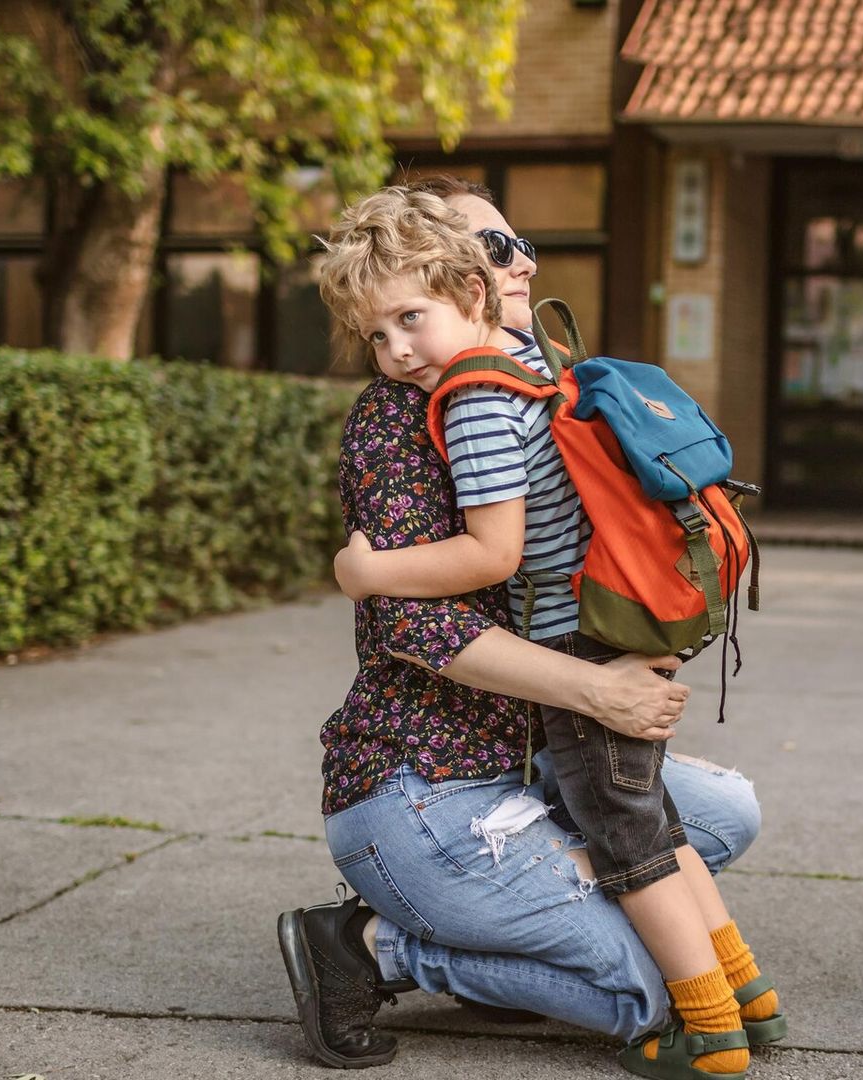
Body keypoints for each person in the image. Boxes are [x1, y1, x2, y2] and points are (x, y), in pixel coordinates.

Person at [275, 185, 772, 1078]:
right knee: (648, 991)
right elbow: (418, 620)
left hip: (528, 761)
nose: (524, 263)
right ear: (460, 271)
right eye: (502, 245)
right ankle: (368, 945)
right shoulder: (404, 419)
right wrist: (595, 686)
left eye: (521, 244)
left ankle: (536, 918)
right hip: (428, 781)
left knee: (720, 817)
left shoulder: (539, 385)